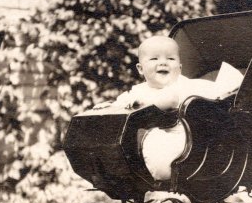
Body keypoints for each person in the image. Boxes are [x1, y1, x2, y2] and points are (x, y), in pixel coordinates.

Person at [96, 35, 243, 180]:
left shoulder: (179, 86)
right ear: (140, 69)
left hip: (186, 141)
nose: (163, 63)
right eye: (154, 59)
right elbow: (125, 101)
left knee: (155, 143)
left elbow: (169, 100)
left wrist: (140, 102)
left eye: (170, 59)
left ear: (179, 68)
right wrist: (112, 106)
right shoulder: (139, 90)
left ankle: (160, 172)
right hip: (161, 137)